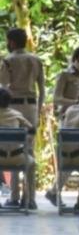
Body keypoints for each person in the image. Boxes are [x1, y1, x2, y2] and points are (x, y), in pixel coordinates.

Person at [0, 28, 44, 208]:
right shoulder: (36, 60)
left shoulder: (8, 61)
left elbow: (3, 87)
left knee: (13, 148)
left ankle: (14, 196)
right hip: (32, 106)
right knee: (29, 151)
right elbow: (42, 89)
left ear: (12, 42)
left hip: (12, 106)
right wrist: (38, 109)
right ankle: (30, 198)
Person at [47, 46, 79, 205]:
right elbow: (57, 98)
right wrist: (76, 103)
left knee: (78, 156)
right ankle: (55, 191)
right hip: (67, 119)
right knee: (69, 157)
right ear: (74, 59)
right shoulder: (65, 76)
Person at [0, 88, 35, 209]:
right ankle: (28, 198)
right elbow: (32, 129)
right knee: (31, 163)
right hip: (17, 158)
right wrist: (27, 142)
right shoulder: (17, 115)